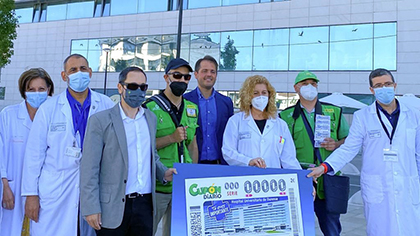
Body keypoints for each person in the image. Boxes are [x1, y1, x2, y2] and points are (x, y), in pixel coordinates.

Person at [308, 68, 420, 236]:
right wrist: (324, 167)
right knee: (380, 230)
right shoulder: (363, 116)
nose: (384, 88)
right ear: (371, 90)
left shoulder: (413, 115)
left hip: (407, 185)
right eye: (378, 85)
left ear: (395, 85)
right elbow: (349, 148)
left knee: (410, 229)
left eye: (387, 84)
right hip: (378, 188)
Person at [21, 54, 115, 236]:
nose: (78, 73)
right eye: (73, 70)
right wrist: (31, 195)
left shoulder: (105, 104)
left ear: (90, 72)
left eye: (83, 69)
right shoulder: (48, 108)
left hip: (93, 187)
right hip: (56, 189)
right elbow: (34, 154)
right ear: (64, 76)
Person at [80, 66, 177, 236]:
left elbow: (151, 155)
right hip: (113, 206)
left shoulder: (150, 118)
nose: (138, 91)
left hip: (145, 205)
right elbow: (89, 168)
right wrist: (91, 208)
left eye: (143, 87)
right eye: (132, 86)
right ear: (120, 88)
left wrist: (163, 172)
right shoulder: (100, 121)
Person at [279, 70, 349, 236]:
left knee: (332, 229)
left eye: (313, 83)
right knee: (299, 229)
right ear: (296, 88)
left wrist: (337, 143)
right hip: (300, 179)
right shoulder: (286, 116)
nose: (309, 87)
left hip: (328, 179)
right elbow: (280, 147)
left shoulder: (334, 112)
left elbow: (350, 141)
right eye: (305, 84)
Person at [144, 58, 198, 236]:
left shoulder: (192, 108)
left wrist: (193, 173)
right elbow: (144, 147)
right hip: (158, 185)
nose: (182, 81)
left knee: (175, 232)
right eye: (177, 76)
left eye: (186, 77)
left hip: (181, 185)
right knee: (147, 230)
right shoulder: (150, 107)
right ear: (166, 77)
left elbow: (192, 144)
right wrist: (171, 138)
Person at [0, 68, 54, 236]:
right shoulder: (9, 115)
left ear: (49, 90)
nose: (36, 93)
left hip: (45, 189)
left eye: (41, 89)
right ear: (23, 91)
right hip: (13, 187)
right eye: (31, 89)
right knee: (10, 230)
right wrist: (5, 186)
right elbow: (1, 152)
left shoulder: (55, 116)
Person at [222, 75, 301, 170]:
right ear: (248, 96)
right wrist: (248, 161)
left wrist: (302, 178)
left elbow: (289, 158)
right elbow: (228, 151)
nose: (261, 97)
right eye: (255, 93)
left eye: (264, 93)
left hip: (273, 179)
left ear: (269, 95)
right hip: (245, 176)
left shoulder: (280, 124)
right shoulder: (235, 121)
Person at [184, 55, 234, 165]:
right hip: (193, 164)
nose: (209, 75)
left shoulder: (226, 102)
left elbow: (231, 135)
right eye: (204, 71)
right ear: (196, 74)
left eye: (213, 71)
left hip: (220, 164)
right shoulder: (185, 101)